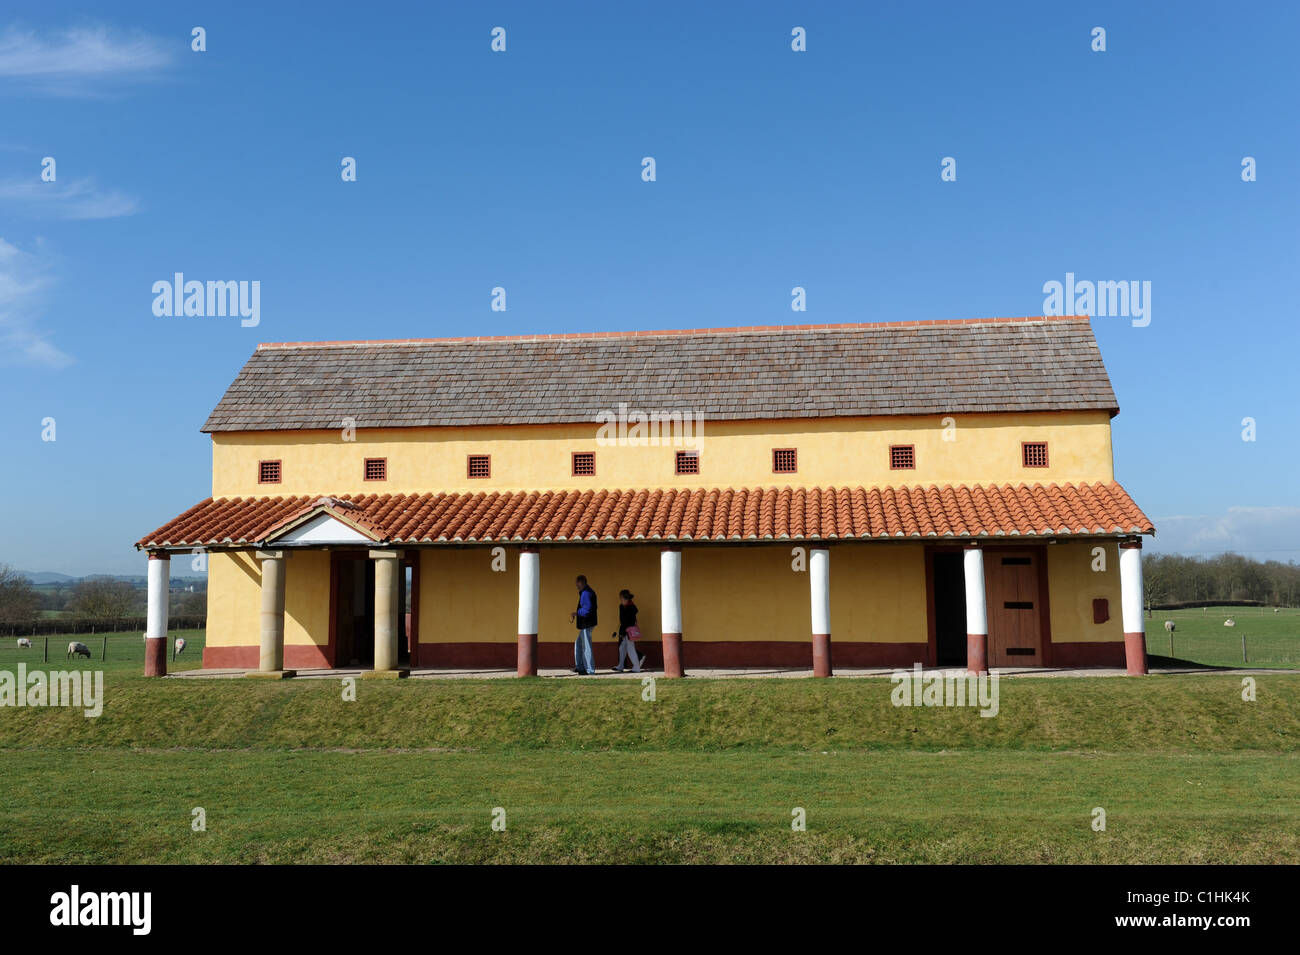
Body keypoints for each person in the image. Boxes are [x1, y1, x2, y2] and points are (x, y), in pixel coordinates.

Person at [612, 589, 646, 673]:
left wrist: (624, 632)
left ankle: (636, 667)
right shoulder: (625, 606)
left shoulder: (630, 608)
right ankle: (620, 665)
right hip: (626, 630)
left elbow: (627, 621)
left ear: (625, 599)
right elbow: (623, 620)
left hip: (629, 631)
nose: (620, 600)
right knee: (622, 648)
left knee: (630, 649)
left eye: (621, 598)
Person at [569, 575, 597, 675]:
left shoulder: (586, 593)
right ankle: (580, 667)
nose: (576, 585)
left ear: (582, 582)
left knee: (586, 646)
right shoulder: (586, 592)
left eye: (577, 583)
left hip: (587, 623)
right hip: (587, 623)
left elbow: (587, 609)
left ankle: (589, 670)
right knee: (578, 643)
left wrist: (577, 613)